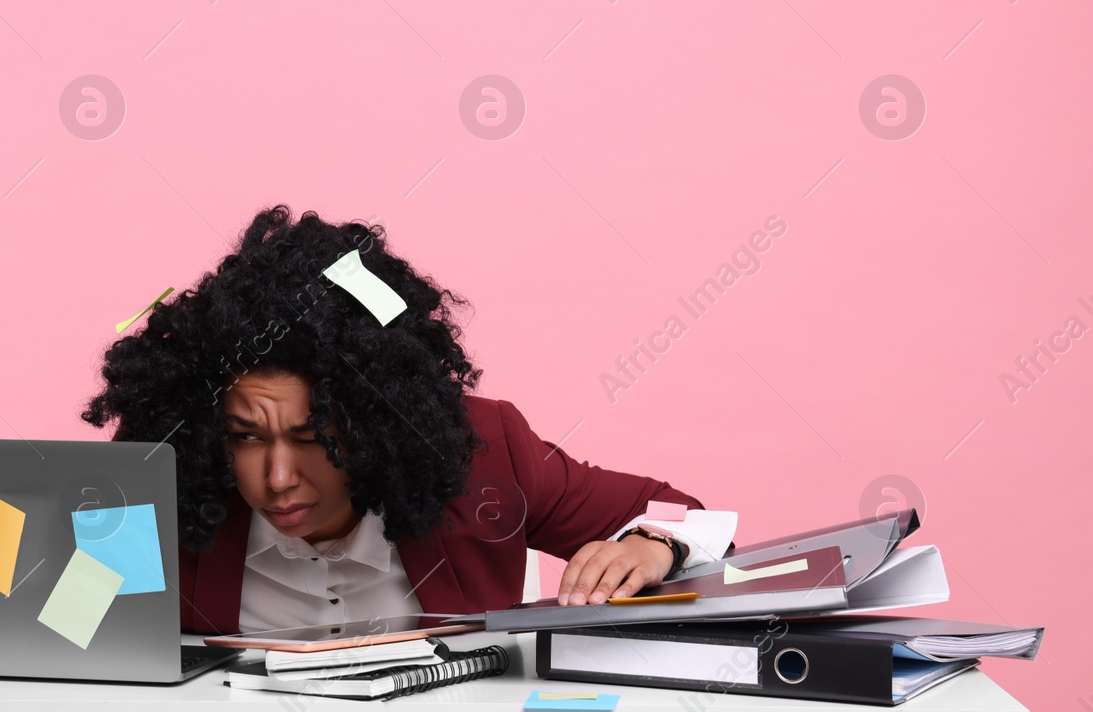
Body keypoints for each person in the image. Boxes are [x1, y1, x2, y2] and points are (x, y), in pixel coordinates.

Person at [84, 206, 733, 634]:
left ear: (376, 419)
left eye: (313, 438)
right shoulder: (179, 491)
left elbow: (689, 514)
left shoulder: (488, 453)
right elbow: (63, 626)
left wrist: (655, 545)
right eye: (247, 435)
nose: (276, 477)